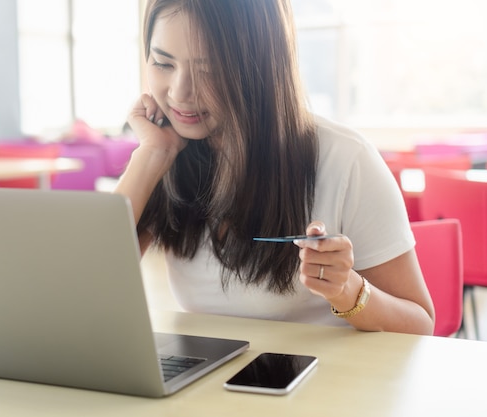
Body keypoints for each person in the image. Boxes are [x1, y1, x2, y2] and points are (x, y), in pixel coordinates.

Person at [115, 0, 435, 335]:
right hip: (212, 380)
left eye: (207, 70)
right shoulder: (169, 153)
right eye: (163, 63)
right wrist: (152, 154)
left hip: (326, 380)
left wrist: (346, 290)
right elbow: (84, 284)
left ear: (261, 67)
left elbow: (420, 325)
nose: (180, 92)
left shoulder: (346, 159)